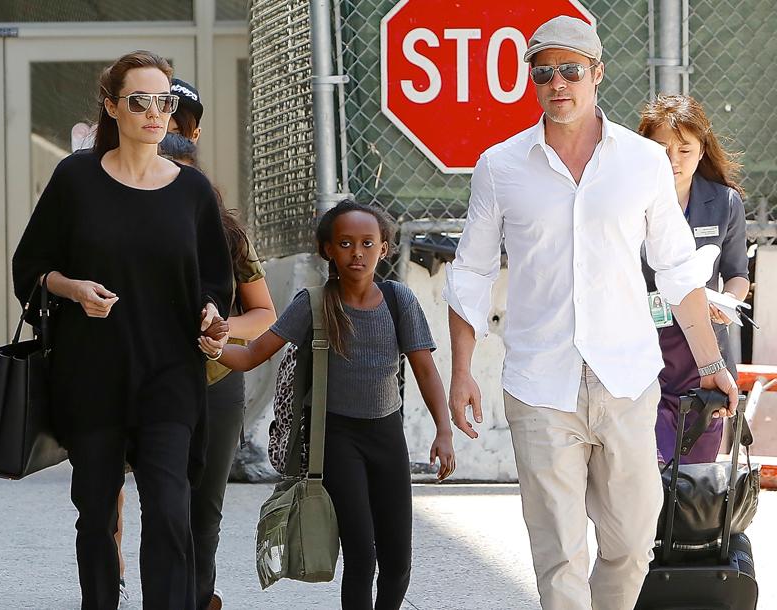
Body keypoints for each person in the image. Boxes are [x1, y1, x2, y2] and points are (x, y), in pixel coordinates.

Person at [443, 16, 739, 610]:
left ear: (597, 74)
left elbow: (680, 270)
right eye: (544, 72)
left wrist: (709, 360)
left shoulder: (642, 162)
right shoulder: (500, 166)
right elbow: (471, 273)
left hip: (628, 380)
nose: (558, 83)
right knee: (559, 555)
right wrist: (462, 370)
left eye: (570, 70)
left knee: (631, 543)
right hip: (540, 383)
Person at [12, 51, 232, 610]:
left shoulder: (192, 192)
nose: (155, 112)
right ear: (112, 106)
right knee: (95, 513)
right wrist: (74, 289)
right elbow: (31, 266)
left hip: (170, 375)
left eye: (165, 101)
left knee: (168, 506)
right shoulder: (76, 178)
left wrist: (210, 315)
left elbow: (214, 282)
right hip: (93, 374)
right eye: (140, 101)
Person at [199, 200, 457, 610]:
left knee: (398, 561)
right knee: (361, 556)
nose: (357, 252)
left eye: (368, 243)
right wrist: (214, 348)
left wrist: (444, 431)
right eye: (346, 243)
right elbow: (250, 356)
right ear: (327, 250)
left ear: (384, 248)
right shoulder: (314, 303)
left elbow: (426, 370)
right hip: (337, 441)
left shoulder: (398, 300)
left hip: (387, 437)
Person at [167, 81, 278, 610]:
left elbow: (263, 315)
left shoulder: (227, 233)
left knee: (204, 509)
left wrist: (222, 329)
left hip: (214, 383)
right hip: (146, 383)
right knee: (161, 505)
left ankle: (199, 597)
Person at [639, 94, 750, 464]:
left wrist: (727, 303)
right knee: (647, 470)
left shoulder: (725, 202)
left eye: (685, 149)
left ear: (702, 150)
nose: (673, 160)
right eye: (661, 148)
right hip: (645, 348)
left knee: (693, 475)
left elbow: (737, 274)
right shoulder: (628, 200)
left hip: (703, 347)